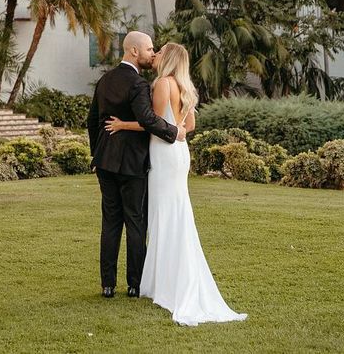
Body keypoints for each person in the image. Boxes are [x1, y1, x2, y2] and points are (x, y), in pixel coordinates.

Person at [105, 42, 247, 326]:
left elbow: (152, 123)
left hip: (164, 152)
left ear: (167, 58)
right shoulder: (184, 86)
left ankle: (164, 283)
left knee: (163, 215)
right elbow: (189, 126)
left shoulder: (162, 84)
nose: (154, 55)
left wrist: (122, 125)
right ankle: (165, 278)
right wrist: (179, 128)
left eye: (158, 52)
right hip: (179, 154)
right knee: (176, 213)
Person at [87, 31, 185, 300]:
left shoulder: (104, 80)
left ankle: (107, 286)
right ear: (133, 51)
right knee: (135, 222)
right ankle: (134, 285)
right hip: (132, 163)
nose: (152, 54)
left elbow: (92, 121)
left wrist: (96, 154)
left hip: (106, 161)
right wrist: (172, 132)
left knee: (110, 224)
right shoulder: (139, 84)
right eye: (149, 49)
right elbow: (147, 119)